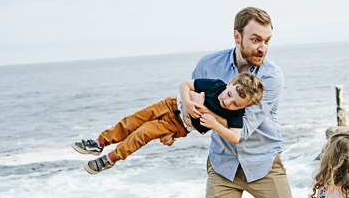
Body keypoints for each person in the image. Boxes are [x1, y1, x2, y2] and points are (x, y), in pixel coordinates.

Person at [188, 7, 308, 198]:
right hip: (223, 167)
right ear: (237, 36)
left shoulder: (271, 76)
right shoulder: (208, 63)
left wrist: (208, 118)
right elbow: (190, 100)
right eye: (255, 39)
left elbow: (241, 132)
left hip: (264, 163)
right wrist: (182, 118)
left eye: (267, 41)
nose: (262, 47)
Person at [72, 74, 264, 174]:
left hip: (177, 125)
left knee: (143, 133)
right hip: (169, 104)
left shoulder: (237, 114)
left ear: (243, 106)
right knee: (132, 121)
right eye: (230, 95)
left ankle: (112, 158)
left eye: (236, 104)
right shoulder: (216, 85)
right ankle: (99, 143)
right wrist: (188, 102)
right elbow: (185, 85)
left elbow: (235, 137)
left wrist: (214, 124)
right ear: (230, 83)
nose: (228, 103)